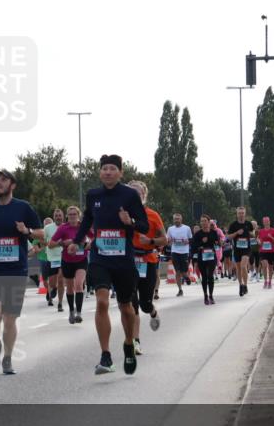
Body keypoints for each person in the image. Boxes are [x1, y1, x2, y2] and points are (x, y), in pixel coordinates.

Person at [66, 154, 148, 376]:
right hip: (100, 258)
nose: (108, 172)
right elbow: (87, 221)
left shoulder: (130, 195)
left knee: (126, 307)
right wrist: (76, 241)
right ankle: (105, 356)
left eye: (113, 169)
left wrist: (129, 222)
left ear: (120, 172)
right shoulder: (93, 195)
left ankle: (129, 343)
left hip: (123, 260)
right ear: (100, 172)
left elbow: (144, 225)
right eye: (104, 169)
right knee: (102, 302)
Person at [0, 169, 43, 375]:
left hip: (16, 270)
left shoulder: (23, 208)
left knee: (9, 319)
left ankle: (7, 357)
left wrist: (27, 231)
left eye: (3, 180)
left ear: (12, 185)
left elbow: (41, 234)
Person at [127, 181, 167, 356]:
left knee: (144, 304)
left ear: (144, 196)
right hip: (128, 261)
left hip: (148, 260)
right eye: (131, 193)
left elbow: (164, 240)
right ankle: (136, 342)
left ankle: (153, 311)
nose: (135, 196)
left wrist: (150, 241)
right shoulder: (122, 215)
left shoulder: (152, 215)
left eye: (138, 193)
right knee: (132, 303)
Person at [50, 205, 88, 325]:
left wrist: (84, 244)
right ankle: (71, 310)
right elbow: (51, 244)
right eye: (70, 214)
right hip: (67, 261)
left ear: (78, 215)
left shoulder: (84, 226)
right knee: (70, 288)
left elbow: (94, 239)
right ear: (67, 216)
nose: (72, 216)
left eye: (74, 214)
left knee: (78, 284)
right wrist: (62, 243)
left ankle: (79, 313)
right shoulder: (63, 228)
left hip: (81, 259)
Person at [191, 214, 220, 304]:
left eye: (205, 221)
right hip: (202, 257)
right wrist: (200, 244)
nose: (203, 223)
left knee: (210, 276)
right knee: (204, 277)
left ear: (209, 222)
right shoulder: (198, 234)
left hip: (211, 256)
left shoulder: (213, 232)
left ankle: (211, 295)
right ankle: (205, 296)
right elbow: (193, 247)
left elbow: (218, 244)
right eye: (202, 221)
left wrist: (218, 243)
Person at [227, 207, 254, 296]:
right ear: (237, 214)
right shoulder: (233, 225)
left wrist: (252, 234)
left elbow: (252, 234)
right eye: (239, 213)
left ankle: (245, 285)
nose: (241, 215)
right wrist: (236, 233)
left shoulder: (248, 224)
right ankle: (241, 285)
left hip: (246, 248)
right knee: (238, 268)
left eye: (242, 213)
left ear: (245, 214)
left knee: (243, 266)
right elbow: (229, 237)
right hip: (237, 249)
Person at [167, 212, 193, 297]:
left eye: (178, 219)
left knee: (184, 271)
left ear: (181, 219)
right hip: (174, 252)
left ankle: (186, 277)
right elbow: (168, 241)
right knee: (177, 271)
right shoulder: (170, 229)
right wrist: (170, 241)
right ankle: (180, 290)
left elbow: (191, 240)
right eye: (175, 219)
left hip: (184, 252)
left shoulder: (187, 228)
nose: (176, 221)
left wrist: (187, 241)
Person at [45, 209, 66, 310]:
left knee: (61, 280)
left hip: (64, 257)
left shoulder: (67, 227)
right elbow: (43, 239)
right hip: (52, 258)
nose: (58, 217)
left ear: (63, 216)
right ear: (54, 217)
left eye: (60, 215)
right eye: (56, 215)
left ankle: (60, 303)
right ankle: (52, 291)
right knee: (52, 283)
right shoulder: (48, 228)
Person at [257, 216, 274, 289]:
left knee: (270, 267)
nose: (266, 223)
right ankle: (265, 281)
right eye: (265, 221)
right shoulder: (261, 231)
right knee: (264, 265)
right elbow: (259, 240)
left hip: (271, 251)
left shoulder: (273, 231)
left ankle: (270, 281)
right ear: (263, 222)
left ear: (269, 222)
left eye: (267, 221)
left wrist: (271, 238)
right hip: (263, 251)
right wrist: (259, 242)